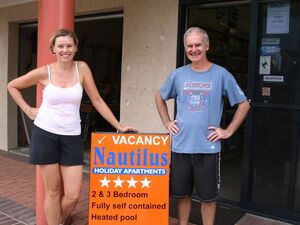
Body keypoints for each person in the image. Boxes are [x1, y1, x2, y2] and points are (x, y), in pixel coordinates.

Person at [7, 28, 137, 225]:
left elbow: (98, 101)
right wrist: (27, 109)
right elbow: (12, 85)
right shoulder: (44, 72)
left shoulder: (82, 68)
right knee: (52, 189)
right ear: (53, 48)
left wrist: (119, 126)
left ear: (76, 48)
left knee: (73, 195)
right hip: (45, 134)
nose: (65, 50)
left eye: (69, 45)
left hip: (71, 136)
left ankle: (57, 220)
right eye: (60, 46)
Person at [155, 27, 250, 225]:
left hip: (208, 147)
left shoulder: (221, 74)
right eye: (189, 46)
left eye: (198, 45)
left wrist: (229, 131)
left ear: (207, 46)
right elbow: (159, 96)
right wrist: (166, 121)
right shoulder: (178, 75)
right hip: (180, 146)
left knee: (208, 199)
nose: (194, 49)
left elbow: (244, 104)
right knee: (182, 195)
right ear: (185, 48)